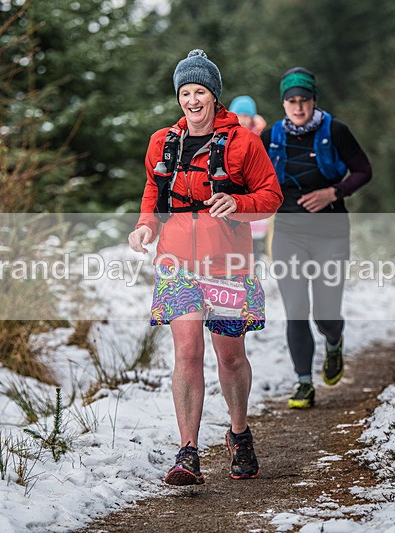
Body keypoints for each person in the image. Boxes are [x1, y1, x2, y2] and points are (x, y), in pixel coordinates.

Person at [128, 50, 282, 486]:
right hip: (177, 263)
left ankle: (238, 434)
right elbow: (152, 194)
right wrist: (144, 228)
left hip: (227, 263)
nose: (192, 100)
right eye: (185, 92)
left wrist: (238, 202)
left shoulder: (243, 144)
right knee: (187, 353)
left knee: (229, 357)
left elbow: (271, 197)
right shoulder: (162, 142)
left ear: (215, 95)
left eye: (200, 92)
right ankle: (188, 452)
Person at [260, 67, 372, 409]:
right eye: (291, 101)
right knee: (296, 309)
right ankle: (304, 383)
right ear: (283, 103)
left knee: (325, 312)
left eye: (304, 100)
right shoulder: (271, 138)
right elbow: (254, 179)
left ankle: (334, 341)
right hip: (289, 232)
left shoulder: (335, 131)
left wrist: (333, 193)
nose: (298, 107)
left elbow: (364, 170)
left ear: (313, 101)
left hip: (331, 231)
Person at [229, 96, 271, 255]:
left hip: (255, 197)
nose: (243, 120)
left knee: (254, 246)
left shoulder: (260, 138)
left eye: (247, 116)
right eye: (239, 115)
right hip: (233, 197)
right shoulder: (225, 136)